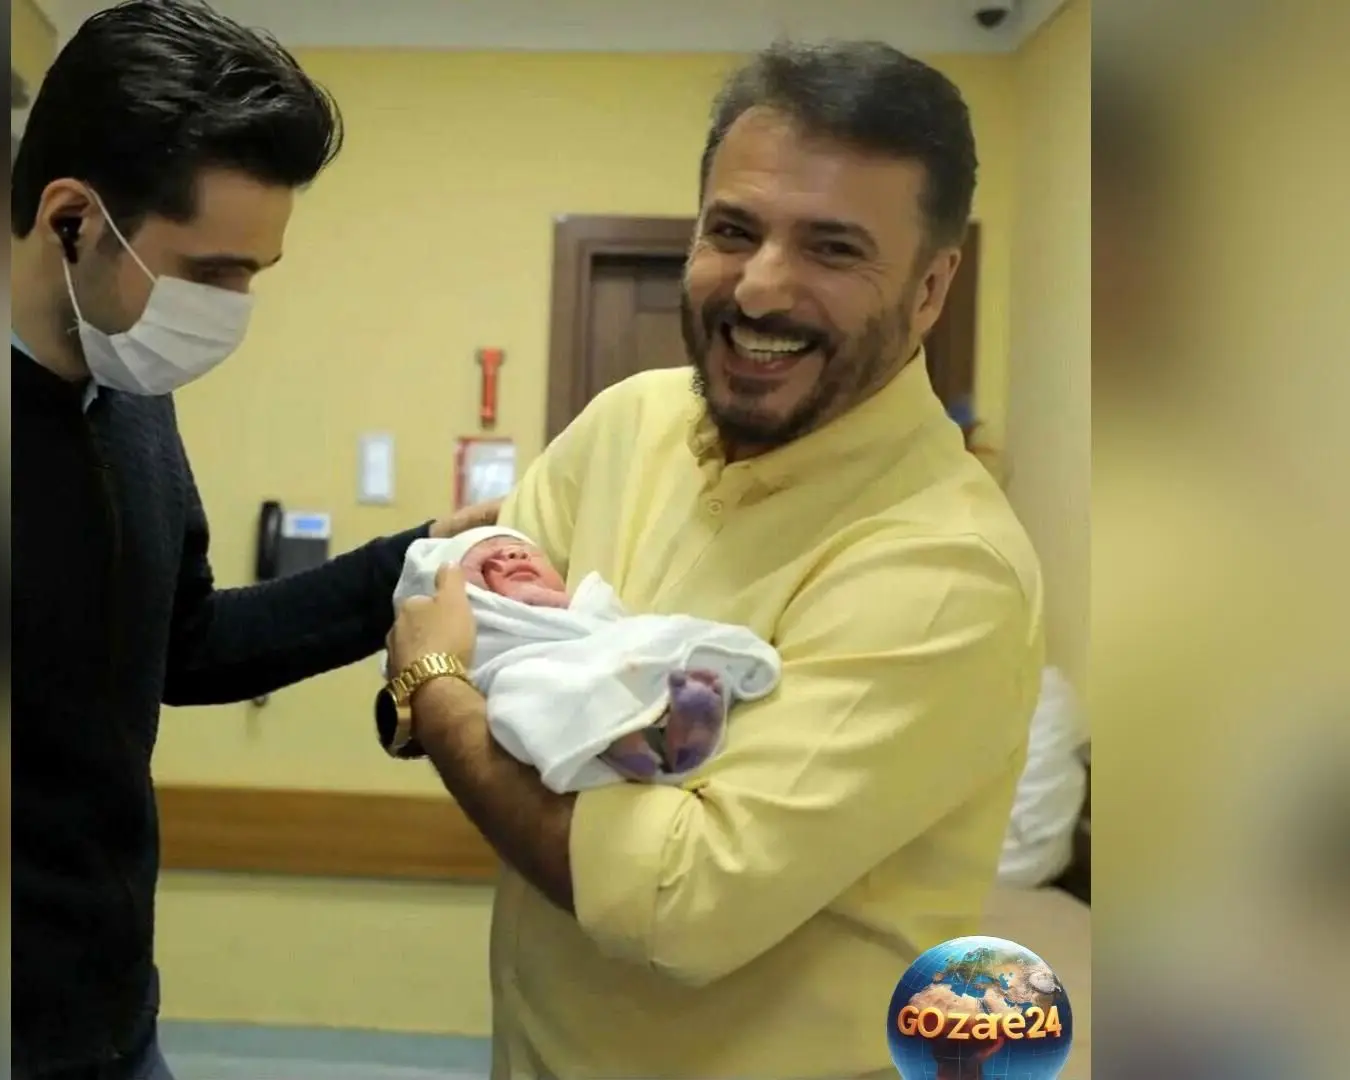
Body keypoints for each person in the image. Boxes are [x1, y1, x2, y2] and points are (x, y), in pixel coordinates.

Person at [384, 40, 1045, 1078]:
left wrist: (431, 688)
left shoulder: (946, 567)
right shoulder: (627, 424)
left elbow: (673, 903)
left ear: (929, 287)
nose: (761, 289)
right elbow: (476, 621)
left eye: (833, 249)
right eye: (733, 231)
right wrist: (454, 679)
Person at [9, 3, 496, 1078]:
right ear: (72, 219)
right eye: (213, 272)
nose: (232, 308)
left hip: (108, 1017)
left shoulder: (132, 399)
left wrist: (416, 560)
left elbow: (182, 646)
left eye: (254, 275)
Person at [386, 527, 781, 788]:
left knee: (660, 636)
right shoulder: (483, 621)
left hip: (598, 655)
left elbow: (613, 625)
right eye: (490, 563)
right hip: (529, 666)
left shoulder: (585, 602)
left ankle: (683, 716)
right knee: (527, 692)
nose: (512, 557)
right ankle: (622, 740)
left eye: (523, 552)